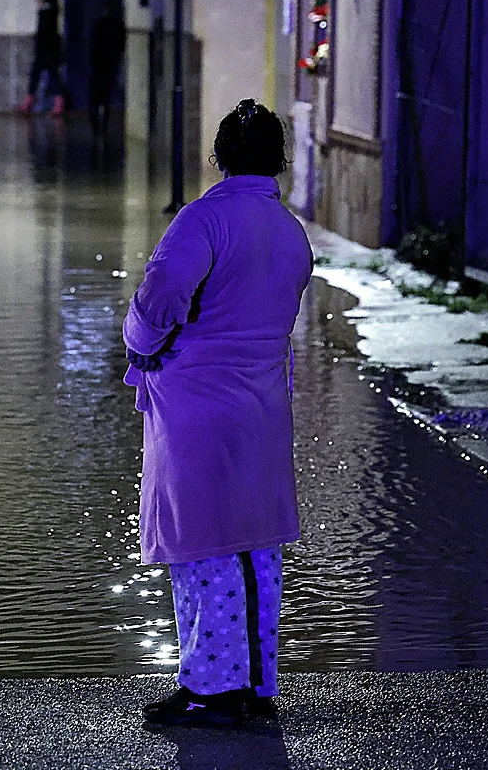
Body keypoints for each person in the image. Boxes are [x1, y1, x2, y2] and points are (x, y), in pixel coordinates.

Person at [122, 99, 313, 727]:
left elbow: (159, 299)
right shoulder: (290, 231)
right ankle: (249, 683)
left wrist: (142, 345)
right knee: (253, 546)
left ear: (220, 156)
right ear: (279, 159)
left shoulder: (202, 222)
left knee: (204, 546)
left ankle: (214, 688)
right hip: (262, 404)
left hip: (197, 405)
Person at [18, 0, 66, 117]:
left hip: (45, 51)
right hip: (50, 51)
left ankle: (30, 103)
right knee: (51, 77)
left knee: (41, 77)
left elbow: (43, 34)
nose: (36, 0)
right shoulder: (52, 12)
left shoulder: (45, 13)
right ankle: (57, 104)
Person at [88, 0, 125, 137]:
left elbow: (92, 45)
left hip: (98, 65)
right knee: (106, 97)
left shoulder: (98, 25)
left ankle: (95, 127)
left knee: (94, 98)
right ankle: (103, 126)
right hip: (111, 65)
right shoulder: (118, 26)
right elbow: (121, 45)